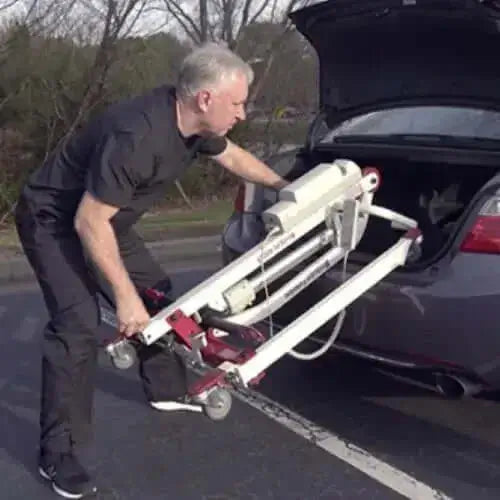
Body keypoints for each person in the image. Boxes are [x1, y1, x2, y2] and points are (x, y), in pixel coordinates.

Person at [14, 42, 288, 499]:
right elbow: (87, 221)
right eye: (237, 103)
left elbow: (233, 157)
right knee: (77, 326)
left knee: (162, 297)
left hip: (106, 222)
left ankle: (165, 387)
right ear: (206, 99)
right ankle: (58, 453)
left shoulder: (196, 127)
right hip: (55, 222)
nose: (242, 113)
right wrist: (124, 299)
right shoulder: (137, 135)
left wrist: (287, 188)